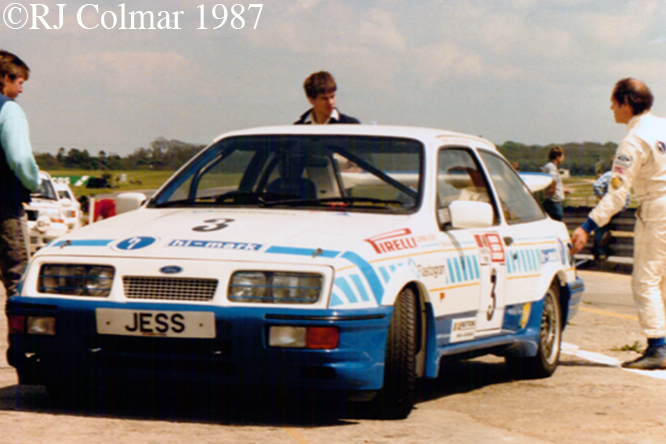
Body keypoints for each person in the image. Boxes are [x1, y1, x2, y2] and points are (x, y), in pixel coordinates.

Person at [571, 78, 666, 370]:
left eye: (614, 101)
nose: (611, 107)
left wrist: (586, 226)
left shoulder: (632, 141)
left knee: (646, 281)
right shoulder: (662, 126)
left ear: (626, 103)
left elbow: (616, 196)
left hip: (657, 209)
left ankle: (658, 347)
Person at [0, 50, 41, 297]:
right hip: (4, 206)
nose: (21, 90)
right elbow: (19, 157)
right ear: (5, 77)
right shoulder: (9, 110)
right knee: (18, 281)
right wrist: (33, 182)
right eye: (20, 82)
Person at [591, 169, 630, 260]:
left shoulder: (608, 175)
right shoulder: (625, 178)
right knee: (605, 231)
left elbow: (596, 185)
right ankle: (602, 252)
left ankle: (600, 252)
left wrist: (601, 197)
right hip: (616, 208)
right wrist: (623, 206)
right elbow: (627, 195)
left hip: (606, 206)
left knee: (600, 229)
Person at [294, 71, 360, 125]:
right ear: (311, 100)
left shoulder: (351, 125)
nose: (330, 102)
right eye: (324, 98)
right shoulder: (298, 128)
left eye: (332, 97)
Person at [541, 146, 568, 221]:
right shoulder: (552, 167)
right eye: (563, 156)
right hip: (554, 202)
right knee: (557, 223)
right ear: (558, 156)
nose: (563, 159)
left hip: (552, 201)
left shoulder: (548, 166)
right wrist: (553, 189)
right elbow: (553, 178)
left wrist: (561, 189)